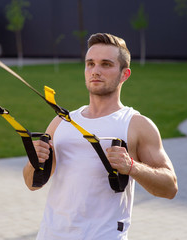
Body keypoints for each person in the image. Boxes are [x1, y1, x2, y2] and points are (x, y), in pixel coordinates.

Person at [23, 33, 178, 239]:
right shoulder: (61, 122)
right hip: (51, 234)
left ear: (125, 74)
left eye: (106, 64)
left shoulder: (136, 125)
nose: (96, 71)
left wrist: (132, 166)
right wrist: (35, 161)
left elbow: (169, 188)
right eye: (90, 64)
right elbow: (32, 184)